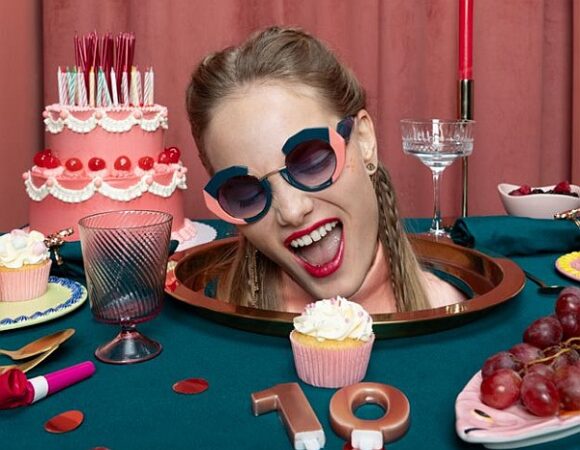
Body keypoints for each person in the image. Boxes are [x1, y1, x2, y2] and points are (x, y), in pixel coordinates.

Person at [185, 26, 463, 314]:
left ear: (364, 140)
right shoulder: (209, 323)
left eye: (311, 162)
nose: (292, 211)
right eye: (245, 193)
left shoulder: (452, 310)